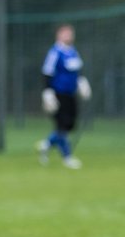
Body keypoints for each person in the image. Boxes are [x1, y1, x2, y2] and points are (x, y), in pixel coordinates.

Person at [37, 23, 91, 169]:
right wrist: (47, 92)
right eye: (65, 33)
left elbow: (77, 71)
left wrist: (82, 82)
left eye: (70, 33)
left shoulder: (73, 51)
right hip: (58, 93)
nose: (69, 36)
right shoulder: (55, 52)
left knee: (69, 125)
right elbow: (47, 72)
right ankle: (67, 157)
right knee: (62, 124)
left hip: (70, 93)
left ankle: (47, 143)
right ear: (59, 35)